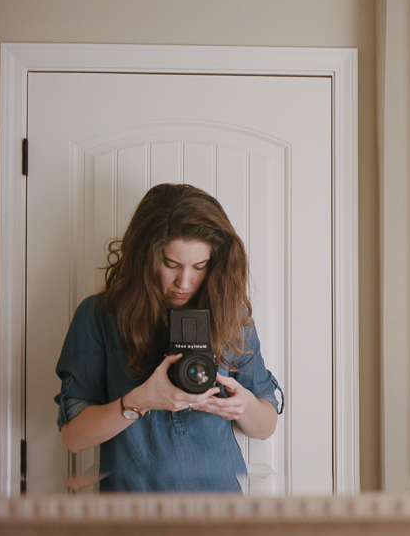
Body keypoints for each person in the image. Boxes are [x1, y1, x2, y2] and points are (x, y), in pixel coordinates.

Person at [54, 183, 282, 492]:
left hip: (222, 517)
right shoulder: (100, 316)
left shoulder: (229, 313)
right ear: (144, 257)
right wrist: (139, 401)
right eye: (171, 264)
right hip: (132, 520)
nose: (184, 282)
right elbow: (74, 437)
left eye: (200, 266)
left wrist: (243, 406)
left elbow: (266, 426)